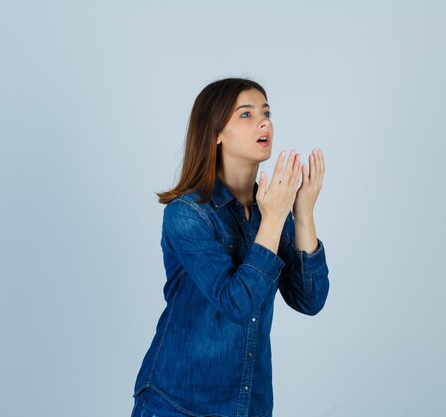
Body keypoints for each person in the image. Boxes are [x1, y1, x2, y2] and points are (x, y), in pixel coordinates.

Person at [130, 77, 330, 417]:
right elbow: (237, 304)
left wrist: (304, 213)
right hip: (177, 404)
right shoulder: (187, 214)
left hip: (246, 407)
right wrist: (273, 218)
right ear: (216, 132)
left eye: (266, 112)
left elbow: (309, 300)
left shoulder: (271, 208)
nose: (264, 121)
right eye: (246, 115)